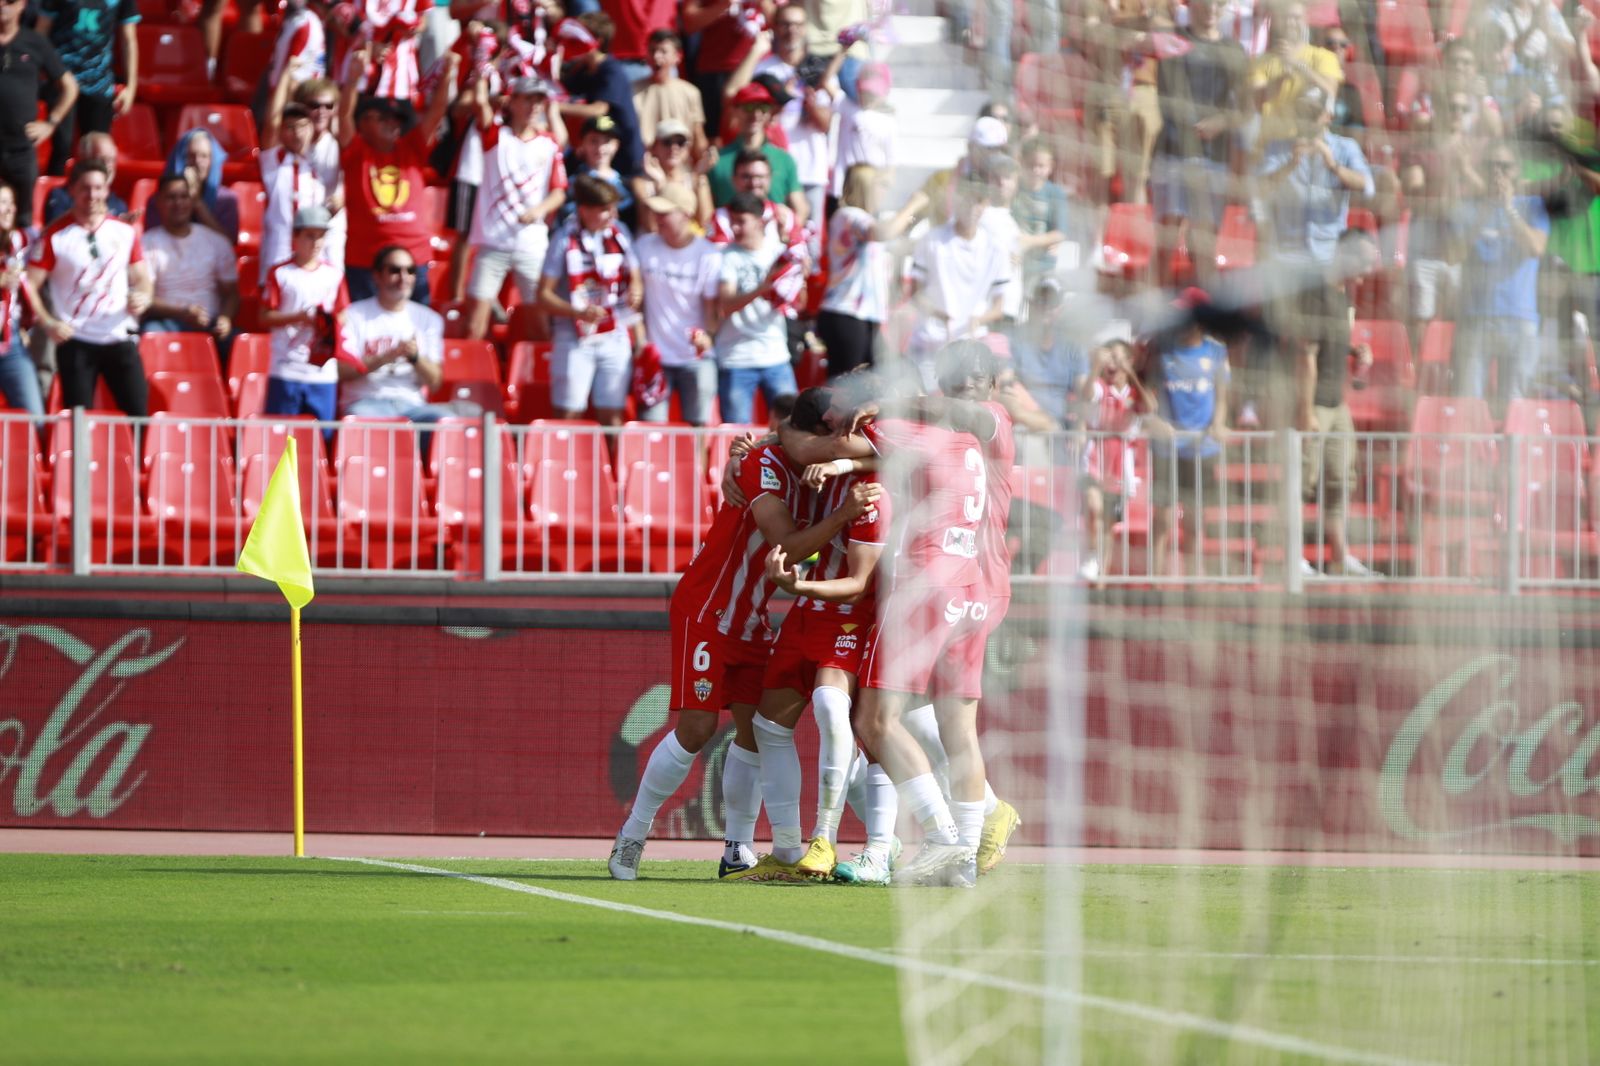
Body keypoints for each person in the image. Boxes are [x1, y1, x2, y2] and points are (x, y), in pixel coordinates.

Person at [607, 387, 882, 881]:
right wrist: (840, 514)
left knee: (757, 735)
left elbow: (869, 455)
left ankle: (742, 847)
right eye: (835, 436)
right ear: (813, 434)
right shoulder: (764, 463)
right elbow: (788, 547)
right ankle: (632, 834)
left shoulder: (805, 466)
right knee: (695, 730)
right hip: (708, 609)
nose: (846, 444)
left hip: (753, 617)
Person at [750, 454, 893, 882]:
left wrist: (798, 583)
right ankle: (788, 848)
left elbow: (858, 583)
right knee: (768, 726)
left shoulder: (872, 489)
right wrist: (748, 452)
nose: (829, 435)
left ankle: (830, 838)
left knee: (840, 710)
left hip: (851, 611)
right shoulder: (814, 462)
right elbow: (791, 435)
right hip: (806, 612)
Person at [27, 159, 152, 417]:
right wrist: (48, 322)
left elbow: (142, 278)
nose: (92, 195)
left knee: (138, 414)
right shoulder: (56, 236)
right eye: (85, 188)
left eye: (98, 187)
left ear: (107, 190)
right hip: (77, 339)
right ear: (71, 190)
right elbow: (30, 284)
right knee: (78, 420)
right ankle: (81, 460)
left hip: (118, 335)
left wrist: (144, 297)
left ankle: (137, 458)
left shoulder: (124, 232)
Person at [338, 46, 462, 303]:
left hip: (413, 257)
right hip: (365, 259)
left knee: (416, 332)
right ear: (364, 123)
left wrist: (448, 74)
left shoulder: (412, 147)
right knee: (366, 333)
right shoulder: (356, 151)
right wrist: (352, 80)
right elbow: (343, 115)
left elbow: (437, 111)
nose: (393, 123)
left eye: (396, 119)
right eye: (383, 118)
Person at [1297, 228, 1379, 577]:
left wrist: (1354, 352)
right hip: (1314, 403)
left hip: (1337, 402)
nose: (1368, 267)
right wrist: (1304, 412)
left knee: (1339, 483)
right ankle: (1294, 558)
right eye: (1363, 259)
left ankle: (1339, 556)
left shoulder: (1345, 295)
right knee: (1303, 482)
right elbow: (1305, 354)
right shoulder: (1315, 292)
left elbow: (1329, 342)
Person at [463, 75, 568, 342]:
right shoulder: (496, 136)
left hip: (531, 244)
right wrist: (481, 65)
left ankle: (535, 377)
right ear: (513, 102)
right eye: (528, 99)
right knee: (475, 322)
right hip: (493, 241)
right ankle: (474, 378)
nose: (534, 107)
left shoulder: (549, 143)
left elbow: (559, 192)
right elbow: (479, 103)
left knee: (540, 320)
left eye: (539, 101)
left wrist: (538, 210)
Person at [1151, 0, 1248, 289]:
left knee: (1205, 244)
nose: (1212, 10)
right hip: (1172, 155)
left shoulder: (1235, 51)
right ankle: (1156, 317)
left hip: (1214, 159)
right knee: (1166, 241)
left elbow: (1245, 108)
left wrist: (1221, 122)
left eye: (1219, 4)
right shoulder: (1174, 42)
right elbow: (1166, 98)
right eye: (1206, 3)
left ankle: (1206, 319)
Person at [537, 174, 642, 424]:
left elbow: (635, 275)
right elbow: (543, 295)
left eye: (614, 208)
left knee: (612, 413)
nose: (612, 215)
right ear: (584, 211)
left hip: (615, 333)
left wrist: (636, 292)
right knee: (568, 413)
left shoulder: (621, 233)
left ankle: (612, 463)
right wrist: (579, 312)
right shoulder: (563, 239)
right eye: (605, 210)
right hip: (575, 337)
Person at [1454, 143, 1550, 411]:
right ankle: (1470, 453)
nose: (1497, 172)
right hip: (1476, 318)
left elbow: (1536, 248)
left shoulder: (1533, 205)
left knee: (1516, 406)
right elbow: (1455, 253)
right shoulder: (1468, 207)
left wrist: (1508, 209)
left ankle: (1515, 454)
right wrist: (1486, 210)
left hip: (1520, 318)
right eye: (1491, 166)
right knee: (1469, 403)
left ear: (1516, 170)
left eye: (1504, 166)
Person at [1144, 295, 1232, 576]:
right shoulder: (1160, 350)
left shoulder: (1216, 352)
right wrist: (1155, 420)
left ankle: (1196, 576)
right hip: (1166, 448)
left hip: (1202, 448)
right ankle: (1155, 579)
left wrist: (1218, 424)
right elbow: (1145, 394)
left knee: (1195, 518)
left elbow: (1222, 397)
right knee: (1163, 517)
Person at [337, 244, 468, 423]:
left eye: (410, 271)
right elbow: (342, 371)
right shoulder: (352, 315)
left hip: (412, 405)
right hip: (365, 402)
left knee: (447, 423)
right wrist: (386, 357)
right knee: (360, 421)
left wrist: (414, 357)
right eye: (394, 270)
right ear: (377, 276)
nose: (403, 278)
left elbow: (435, 382)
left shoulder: (429, 319)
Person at [904, 181, 1010, 391]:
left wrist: (978, 319)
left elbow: (999, 307)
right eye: (966, 201)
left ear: (985, 205)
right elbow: (915, 294)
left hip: (971, 349)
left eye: (978, 202)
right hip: (931, 345)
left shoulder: (996, 248)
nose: (972, 208)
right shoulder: (931, 240)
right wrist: (938, 314)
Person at [732, 8, 833, 227]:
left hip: (809, 169)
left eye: (797, 25)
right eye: (786, 24)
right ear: (776, 27)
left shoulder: (817, 69)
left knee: (810, 241)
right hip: (771, 170)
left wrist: (812, 104)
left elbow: (827, 124)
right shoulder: (764, 68)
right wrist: (781, 100)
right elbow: (735, 98)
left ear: (805, 28)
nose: (791, 31)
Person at [633, 183, 721, 425]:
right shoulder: (643, 246)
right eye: (656, 212)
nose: (657, 218)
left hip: (696, 358)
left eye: (665, 212)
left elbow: (713, 309)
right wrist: (641, 341)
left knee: (699, 427)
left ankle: (699, 465)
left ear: (686, 213)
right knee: (651, 429)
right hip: (656, 358)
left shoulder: (709, 254)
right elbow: (635, 303)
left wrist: (708, 337)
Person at [816, 164, 911, 377]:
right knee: (846, 387)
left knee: (872, 383)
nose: (885, 192)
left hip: (867, 314)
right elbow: (881, 232)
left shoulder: (864, 218)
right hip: (846, 311)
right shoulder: (848, 215)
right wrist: (912, 205)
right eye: (881, 186)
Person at [712, 191, 799, 424]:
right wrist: (764, 286)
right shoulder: (726, 257)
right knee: (738, 437)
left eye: (741, 222)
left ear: (761, 221)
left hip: (776, 355)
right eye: (732, 222)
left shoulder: (779, 252)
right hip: (736, 358)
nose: (735, 229)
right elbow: (727, 305)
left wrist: (800, 277)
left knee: (793, 429)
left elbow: (798, 302)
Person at [140, 173, 240, 364]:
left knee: (238, 342)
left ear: (192, 201)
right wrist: (183, 312)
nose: (178, 203)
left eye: (184, 197)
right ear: (159, 202)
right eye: (171, 197)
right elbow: (146, 300)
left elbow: (231, 294)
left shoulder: (215, 242)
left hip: (210, 323)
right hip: (166, 322)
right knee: (150, 333)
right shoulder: (146, 243)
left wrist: (225, 319)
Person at [260, 206, 348, 421]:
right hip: (286, 367)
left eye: (320, 236)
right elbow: (264, 317)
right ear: (295, 237)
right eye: (310, 236)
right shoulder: (280, 273)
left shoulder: (333, 275)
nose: (316, 242)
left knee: (322, 439)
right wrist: (299, 317)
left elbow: (343, 314)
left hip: (322, 370)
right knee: (281, 435)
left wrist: (326, 325)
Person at [36, 0, 139, 178]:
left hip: (99, 83)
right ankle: (56, 200)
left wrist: (131, 87)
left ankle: (96, 196)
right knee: (62, 147)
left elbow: (129, 39)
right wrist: (36, 73)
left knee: (98, 153)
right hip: (61, 82)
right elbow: (41, 32)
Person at [259, 86, 347, 287]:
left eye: (302, 126)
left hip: (311, 261)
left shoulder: (315, 170)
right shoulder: (274, 160)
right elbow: (272, 121)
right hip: (279, 254)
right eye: (290, 127)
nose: (297, 133)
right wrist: (287, 74)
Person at [0, 0, 75, 229]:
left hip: (20, 149)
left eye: (10, 1)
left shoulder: (35, 42)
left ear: (23, 4)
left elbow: (70, 87)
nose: (3, 5)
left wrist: (50, 123)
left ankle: (16, 265)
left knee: (24, 220)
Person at [556, 13, 645, 177]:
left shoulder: (611, 70)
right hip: (600, 150)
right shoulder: (585, 70)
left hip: (625, 155)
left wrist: (555, 107)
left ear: (598, 41)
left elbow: (598, 110)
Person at [706, 79, 806, 223]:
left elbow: (800, 207)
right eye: (749, 107)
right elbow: (707, 210)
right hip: (730, 239)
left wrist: (789, 233)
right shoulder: (718, 161)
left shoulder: (784, 159)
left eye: (763, 107)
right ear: (735, 110)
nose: (756, 114)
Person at [0, 183, 43, 416]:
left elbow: (55, 230)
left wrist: (109, 218)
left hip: (11, 343)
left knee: (34, 419)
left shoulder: (20, 240)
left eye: (10, 203)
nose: (8, 209)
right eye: (2, 202)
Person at [630, 30, 708, 157]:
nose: (656, 56)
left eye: (663, 51)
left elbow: (698, 135)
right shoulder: (632, 91)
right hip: (644, 164)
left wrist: (704, 159)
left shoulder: (690, 93)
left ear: (677, 56)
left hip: (680, 165)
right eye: (652, 50)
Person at [631, 119, 713, 233]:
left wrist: (700, 177)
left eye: (681, 142)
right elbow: (652, 226)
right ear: (654, 147)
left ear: (688, 148)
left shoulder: (696, 179)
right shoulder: (641, 183)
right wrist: (661, 183)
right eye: (667, 142)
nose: (674, 148)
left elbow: (705, 223)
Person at [43, 133, 128, 225]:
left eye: (111, 160)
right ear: (83, 159)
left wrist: (120, 225)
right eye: (101, 160)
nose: (108, 166)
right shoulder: (60, 197)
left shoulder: (119, 204)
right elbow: (55, 231)